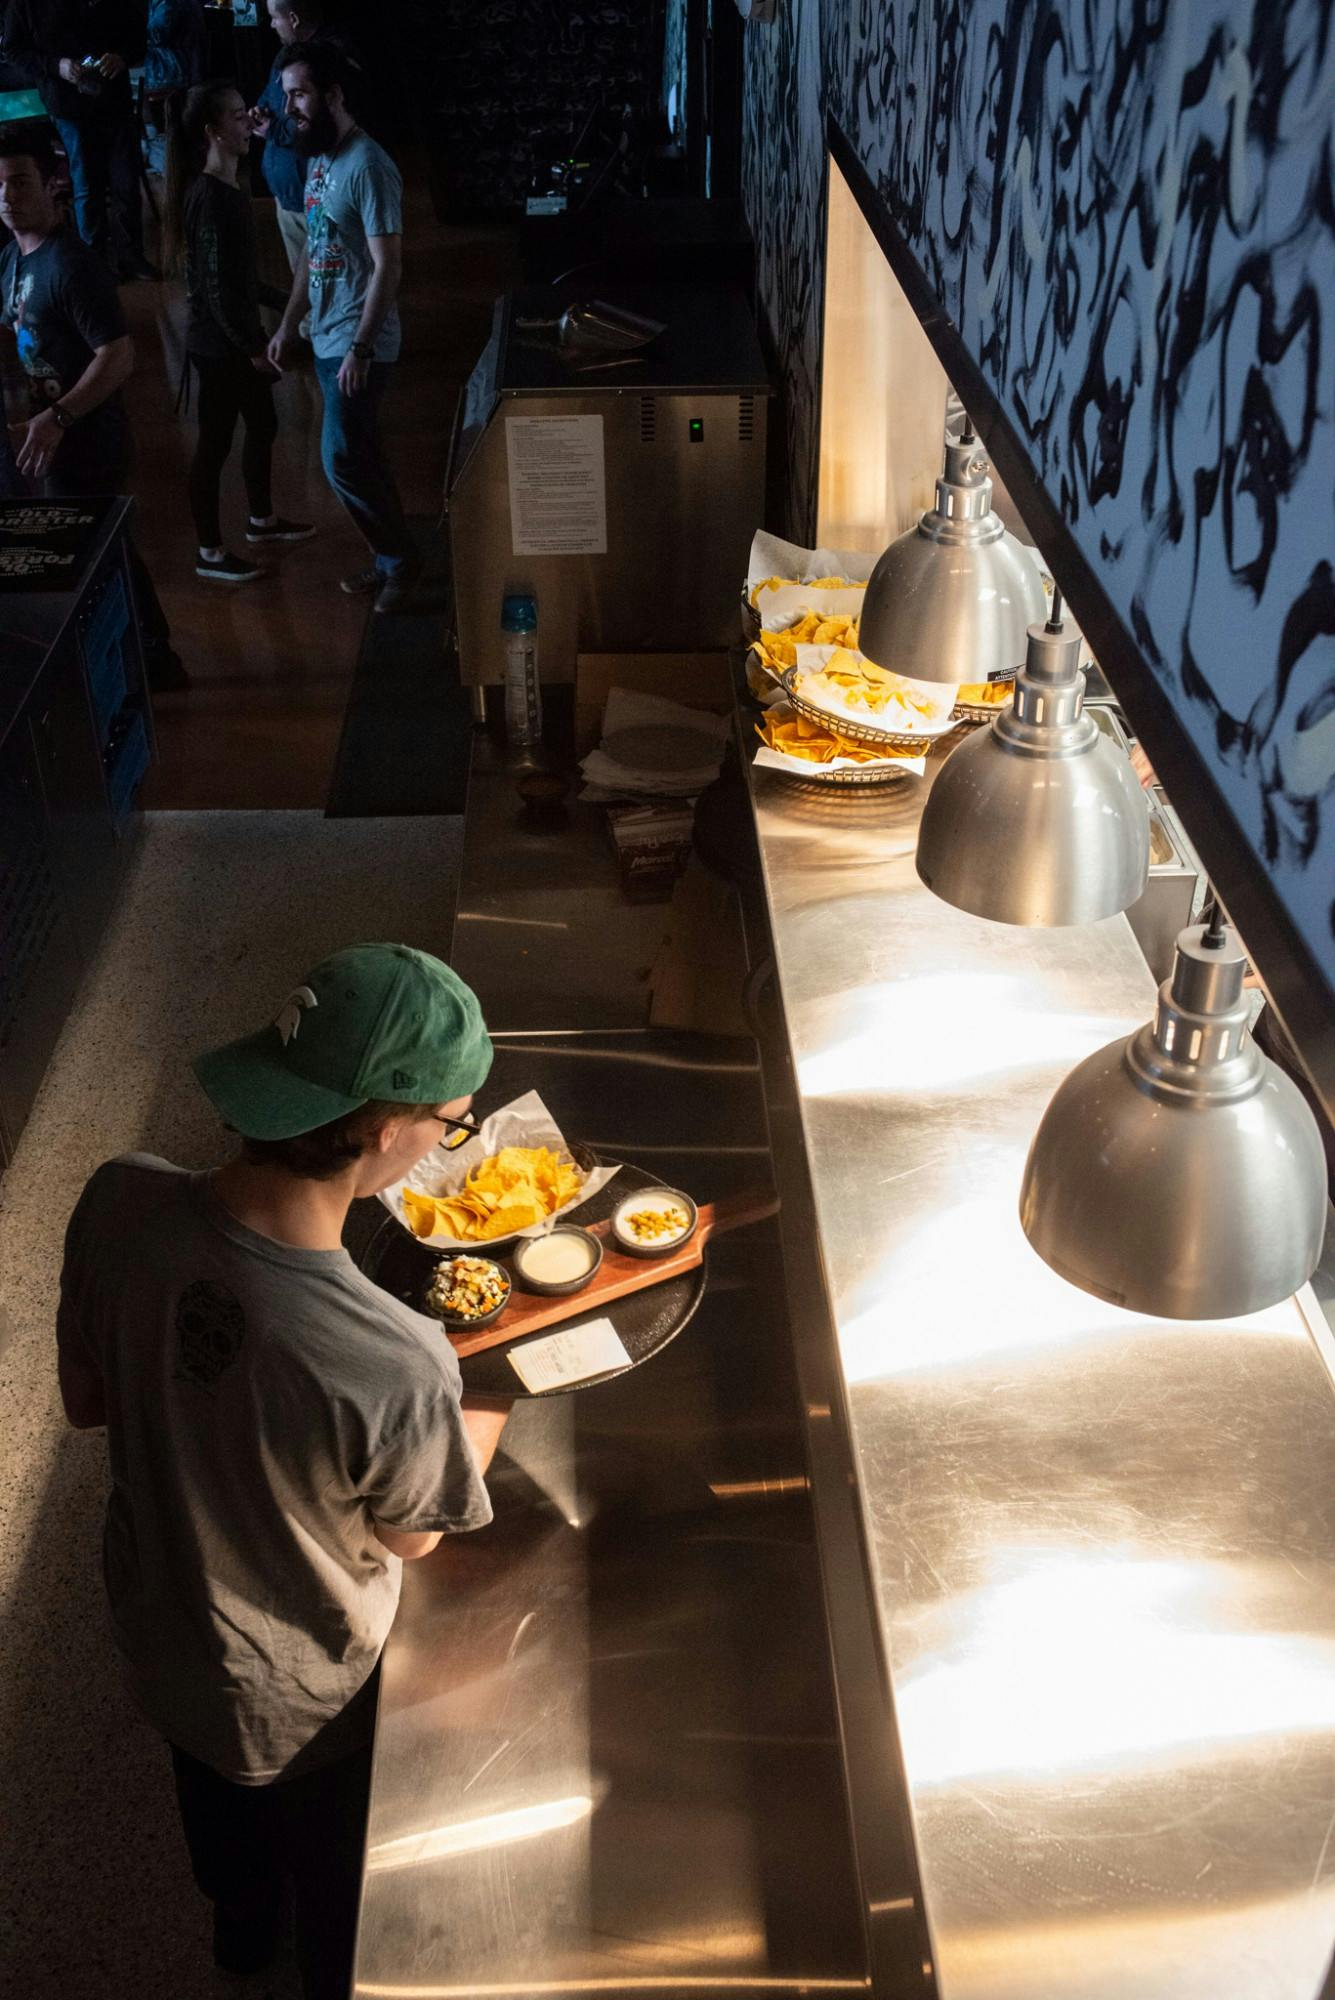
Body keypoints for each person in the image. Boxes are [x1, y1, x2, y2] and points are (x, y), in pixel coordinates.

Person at [57, 943, 513, 1999]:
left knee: (222, 1821)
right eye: (454, 1119)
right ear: (385, 1130)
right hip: (306, 1686)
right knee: (327, 1861)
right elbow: (412, 1534)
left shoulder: (117, 1197)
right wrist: (483, 1393)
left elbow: (88, 1401)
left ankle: (239, 1933)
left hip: (166, 1631)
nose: (453, 1136)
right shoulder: (397, 1354)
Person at [0, 123, 186, 688]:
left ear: (54, 182)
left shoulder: (72, 266)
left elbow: (120, 356)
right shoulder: (13, 257)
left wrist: (59, 417)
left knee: (95, 548)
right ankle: (147, 656)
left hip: (86, 438)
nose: (7, 197)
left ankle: (151, 657)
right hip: (47, 436)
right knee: (99, 546)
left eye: (18, 183)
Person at [269, 38, 421, 613]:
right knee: (362, 456)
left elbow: (389, 266)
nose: (290, 109)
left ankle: (402, 561)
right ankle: (391, 559)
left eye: (300, 95)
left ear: (333, 95)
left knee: (339, 460)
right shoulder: (319, 160)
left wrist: (361, 345)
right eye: (287, 96)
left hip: (362, 342)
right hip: (328, 333)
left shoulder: (369, 166)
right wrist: (290, 322)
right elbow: (314, 246)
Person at [163, 79, 315, 584]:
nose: (247, 120)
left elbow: (237, 278)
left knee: (264, 425)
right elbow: (211, 287)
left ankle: (261, 521)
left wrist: (289, 299)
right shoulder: (210, 196)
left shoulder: (229, 188)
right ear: (213, 132)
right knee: (214, 445)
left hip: (234, 338)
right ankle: (209, 552)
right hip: (220, 346)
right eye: (235, 116)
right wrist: (251, 346)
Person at [1, 0, 157, 280]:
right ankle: (93, 263)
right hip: (67, 102)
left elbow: (137, 33)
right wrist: (55, 66)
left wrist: (122, 57)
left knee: (125, 181)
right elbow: (14, 50)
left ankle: (129, 256)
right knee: (87, 184)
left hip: (113, 97)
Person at [250, 0, 343, 338]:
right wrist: (259, 113)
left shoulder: (326, 60)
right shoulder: (286, 55)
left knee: (326, 276)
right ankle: (311, 332)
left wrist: (273, 130)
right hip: (288, 192)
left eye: (274, 17)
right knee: (303, 273)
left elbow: (319, 124)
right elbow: (272, 100)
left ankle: (326, 339)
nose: (270, 25)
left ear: (293, 17)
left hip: (313, 193)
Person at [143, 0, 208, 176]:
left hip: (169, 76)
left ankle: (163, 163)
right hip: (184, 73)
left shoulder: (168, 4)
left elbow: (155, 34)